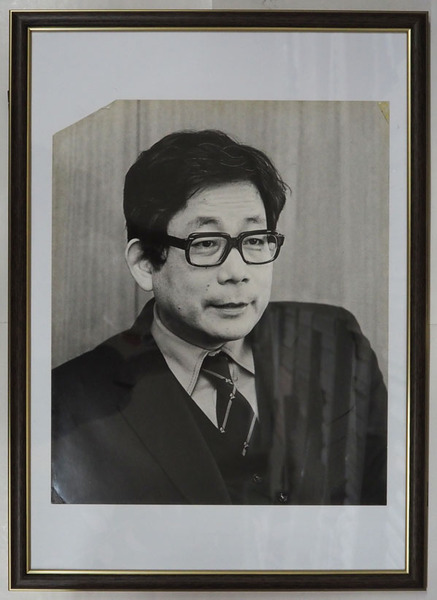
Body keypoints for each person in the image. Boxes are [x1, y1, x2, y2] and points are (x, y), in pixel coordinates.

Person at [52, 129, 387, 505]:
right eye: (206, 243)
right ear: (145, 262)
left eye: (255, 240)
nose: (236, 272)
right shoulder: (66, 403)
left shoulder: (336, 341)